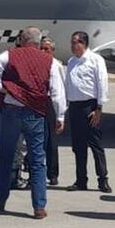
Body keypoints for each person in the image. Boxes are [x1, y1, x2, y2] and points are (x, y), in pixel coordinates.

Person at [0, 27, 66, 218]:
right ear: (38, 42)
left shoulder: (10, 55)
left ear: (22, 40)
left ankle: (1, 199)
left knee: (6, 156)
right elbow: (57, 92)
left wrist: (1, 87)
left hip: (12, 111)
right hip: (35, 113)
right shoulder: (50, 61)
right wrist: (60, 116)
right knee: (38, 160)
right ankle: (39, 206)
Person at [65, 31, 111, 193]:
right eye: (72, 42)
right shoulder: (71, 62)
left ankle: (102, 179)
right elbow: (68, 84)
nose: (72, 46)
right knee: (78, 146)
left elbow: (102, 83)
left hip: (90, 106)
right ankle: (81, 180)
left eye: (75, 42)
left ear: (83, 43)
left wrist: (99, 108)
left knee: (95, 144)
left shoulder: (96, 60)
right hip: (74, 107)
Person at [40, 36, 66, 185]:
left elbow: (58, 92)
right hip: (37, 101)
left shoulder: (54, 65)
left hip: (49, 102)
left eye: (47, 49)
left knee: (50, 141)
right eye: (41, 48)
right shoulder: (36, 63)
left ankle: (53, 173)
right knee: (36, 140)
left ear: (53, 51)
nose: (43, 51)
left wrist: (60, 115)